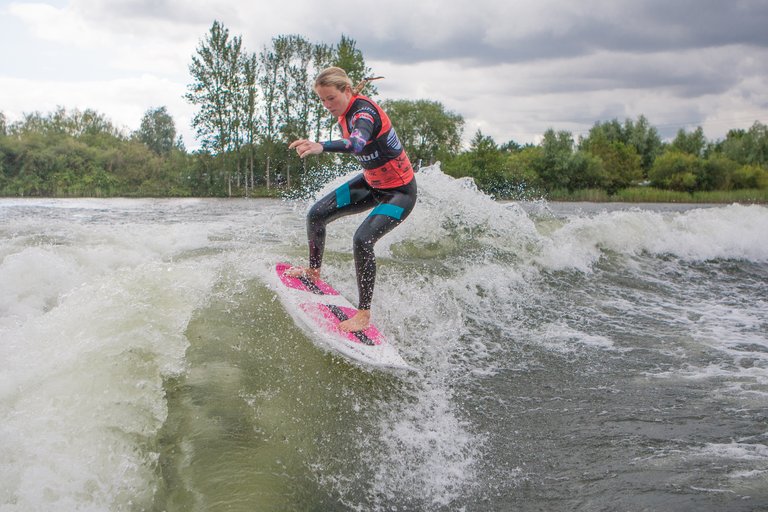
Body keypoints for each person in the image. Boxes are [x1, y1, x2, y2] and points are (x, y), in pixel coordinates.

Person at [286, 66, 417, 333]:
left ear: (346, 91)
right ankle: (313, 272)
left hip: (399, 193)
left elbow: (357, 144)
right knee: (316, 214)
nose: (327, 105)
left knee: (362, 240)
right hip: (371, 184)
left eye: (331, 98)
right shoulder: (345, 113)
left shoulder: (364, 113)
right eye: (322, 100)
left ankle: (363, 314)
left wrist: (321, 145)